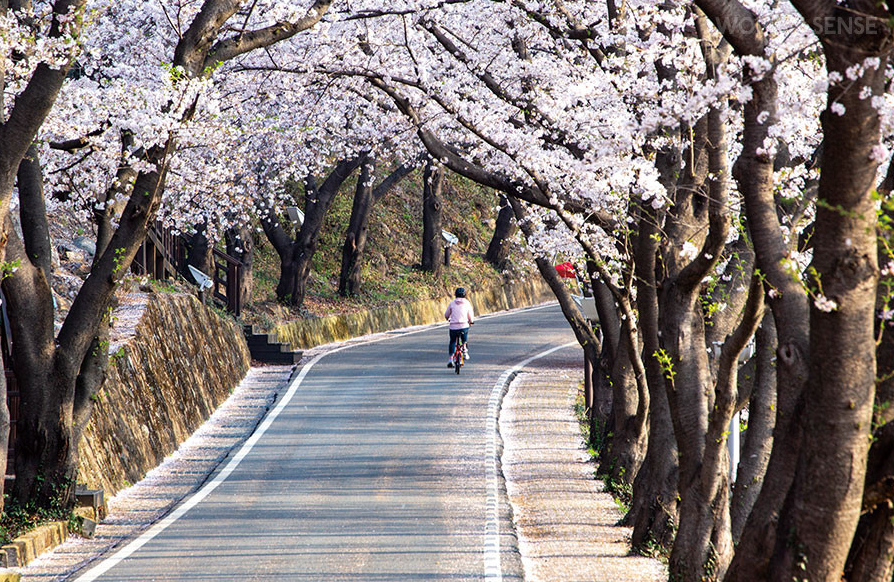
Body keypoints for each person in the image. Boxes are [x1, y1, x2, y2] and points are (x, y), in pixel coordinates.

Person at [445, 287, 474, 367]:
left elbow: (446, 314)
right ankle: (464, 348)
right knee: (464, 335)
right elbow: (470, 315)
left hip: (453, 326)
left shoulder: (452, 303)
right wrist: (471, 321)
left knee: (452, 341)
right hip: (464, 325)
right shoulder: (467, 303)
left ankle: (451, 359)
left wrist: (448, 318)